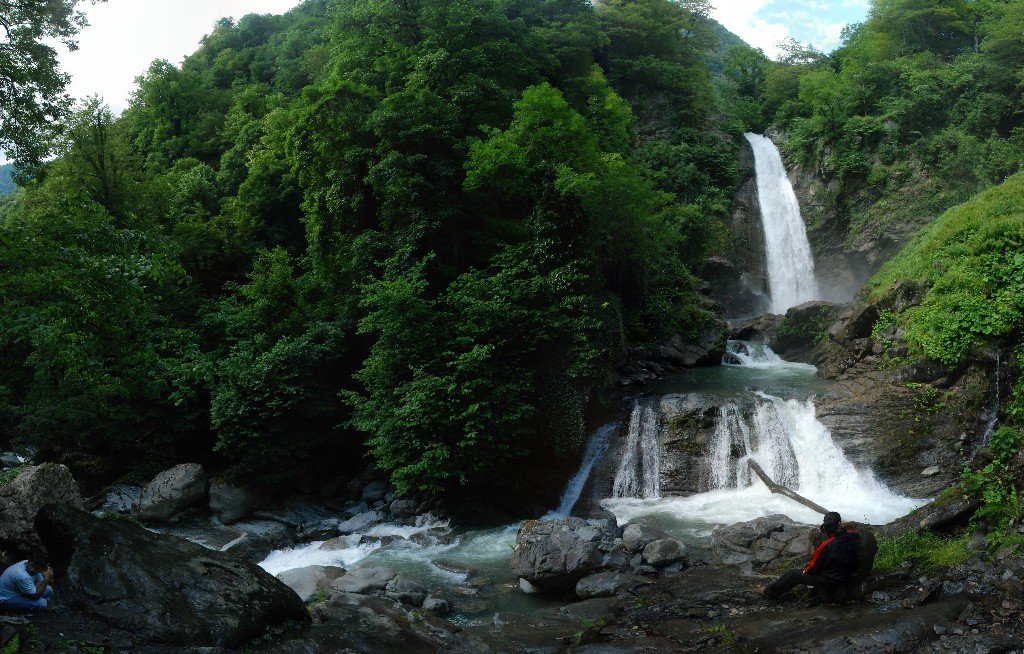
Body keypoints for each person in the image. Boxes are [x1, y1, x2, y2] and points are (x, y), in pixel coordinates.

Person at [757, 511, 859, 600]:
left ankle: (769, 593)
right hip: (851, 574)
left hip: (832, 580)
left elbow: (812, 568)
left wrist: (805, 573)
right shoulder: (853, 534)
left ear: (825, 525)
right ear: (840, 523)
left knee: (792, 574)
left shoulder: (826, 545)